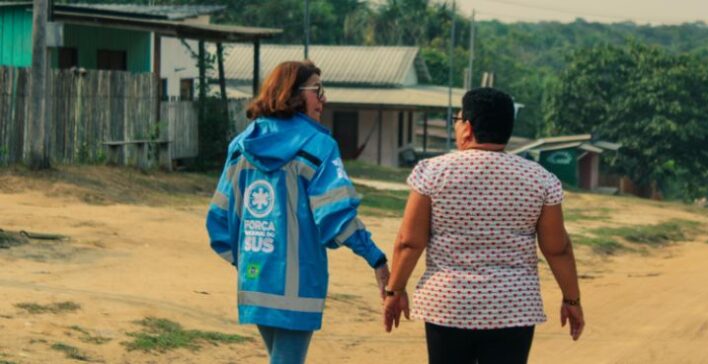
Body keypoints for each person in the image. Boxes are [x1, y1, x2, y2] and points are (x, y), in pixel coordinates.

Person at [206, 60, 390, 364]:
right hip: (298, 281)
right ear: (292, 93)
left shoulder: (240, 146)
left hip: (255, 278)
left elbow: (218, 221)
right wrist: (376, 258)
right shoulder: (319, 146)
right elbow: (336, 217)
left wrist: (249, 261)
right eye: (317, 90)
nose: (324, 99)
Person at [382, 87, 584, 364]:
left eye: (457, 119)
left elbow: (409, 242)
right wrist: (571, 300)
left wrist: (394, 290)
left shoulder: (433, 172)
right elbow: (557, 248)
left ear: (467, 128)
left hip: (448, 305)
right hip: (513, 308)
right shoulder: (541, 179)